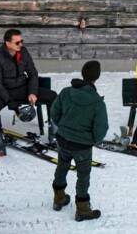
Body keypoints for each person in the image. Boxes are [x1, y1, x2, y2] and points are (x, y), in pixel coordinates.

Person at [50, 60, 109, 222]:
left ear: (83, 74)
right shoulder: (97, 103)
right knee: (83, 175)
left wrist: (63, 127)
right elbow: (101, 129)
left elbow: (54, 112)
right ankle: (82, 209)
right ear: (96, 77)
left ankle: (59, 198)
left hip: (63, 139)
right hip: (82, 146)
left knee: (62, 166)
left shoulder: (66, 92)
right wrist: (92, 140)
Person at [0, 29, 57, 156]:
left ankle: (55, 135)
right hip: (4, 91)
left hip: (23, 88)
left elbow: (33, 73)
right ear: (8, 43)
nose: (21, 45)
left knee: (52, 96)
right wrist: (9, 101)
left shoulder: (23, 52)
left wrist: (32, 92)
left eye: (21, 41)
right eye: (17, 42)